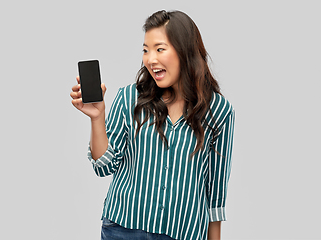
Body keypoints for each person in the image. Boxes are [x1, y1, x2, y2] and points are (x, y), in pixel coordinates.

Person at [70, 10, 235, 240]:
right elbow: (104, 167)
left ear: (184, 51)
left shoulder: (219, 110)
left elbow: (215, 190)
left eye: (160, 49)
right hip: (123, 229)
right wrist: (97, 118)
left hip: (184, 233)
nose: (150, 59)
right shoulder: (130, 98)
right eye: (146, 51)